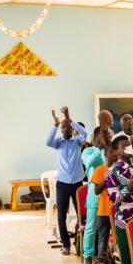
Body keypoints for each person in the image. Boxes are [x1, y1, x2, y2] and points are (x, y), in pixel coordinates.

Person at [46, 107, 86, 255]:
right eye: (63, 127)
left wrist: (69, 118)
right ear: (61, 129)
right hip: (62, 183)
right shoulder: (58, 143)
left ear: (72, 127)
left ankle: (79, 242)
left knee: (81, 214)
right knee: (61, 215)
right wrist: (55, 125)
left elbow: (84, 133)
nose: (66, 129)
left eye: (68, 126)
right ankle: (66, 244)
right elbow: (47, 141)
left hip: (77, 183)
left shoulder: (78, 142)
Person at [81, 147, 112, 264]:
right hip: (95, 198)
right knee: (91, 227)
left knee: (108, 230)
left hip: (109, 199)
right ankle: (87, 256)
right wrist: (98, 149)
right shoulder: (89, 151)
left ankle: (105, 256)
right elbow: (88, 163)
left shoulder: (111, 150)